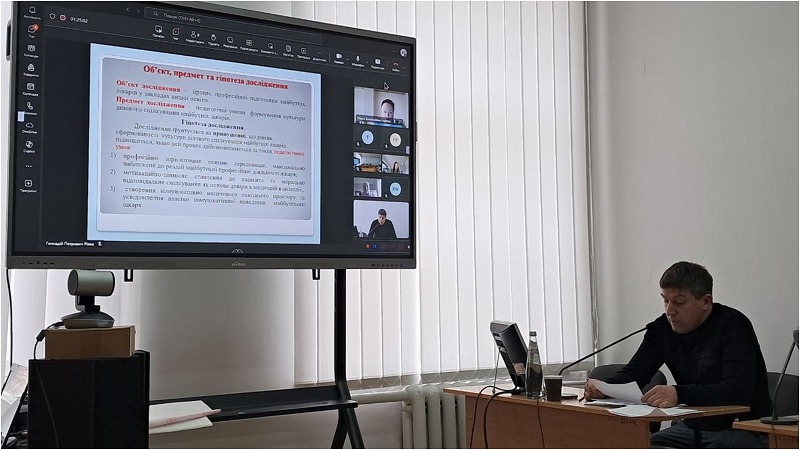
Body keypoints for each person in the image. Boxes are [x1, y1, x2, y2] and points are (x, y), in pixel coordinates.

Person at [583, 261, 770, 448]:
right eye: (665, 300)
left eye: (679, 302)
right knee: (638, 446)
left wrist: (679, 393)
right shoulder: (662, 329)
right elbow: (635, 373)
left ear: (706, 302)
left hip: (741, 428)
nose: (669, 311)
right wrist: (604, 387)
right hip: (691, 427)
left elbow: (737, 391)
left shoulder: (734, 326)